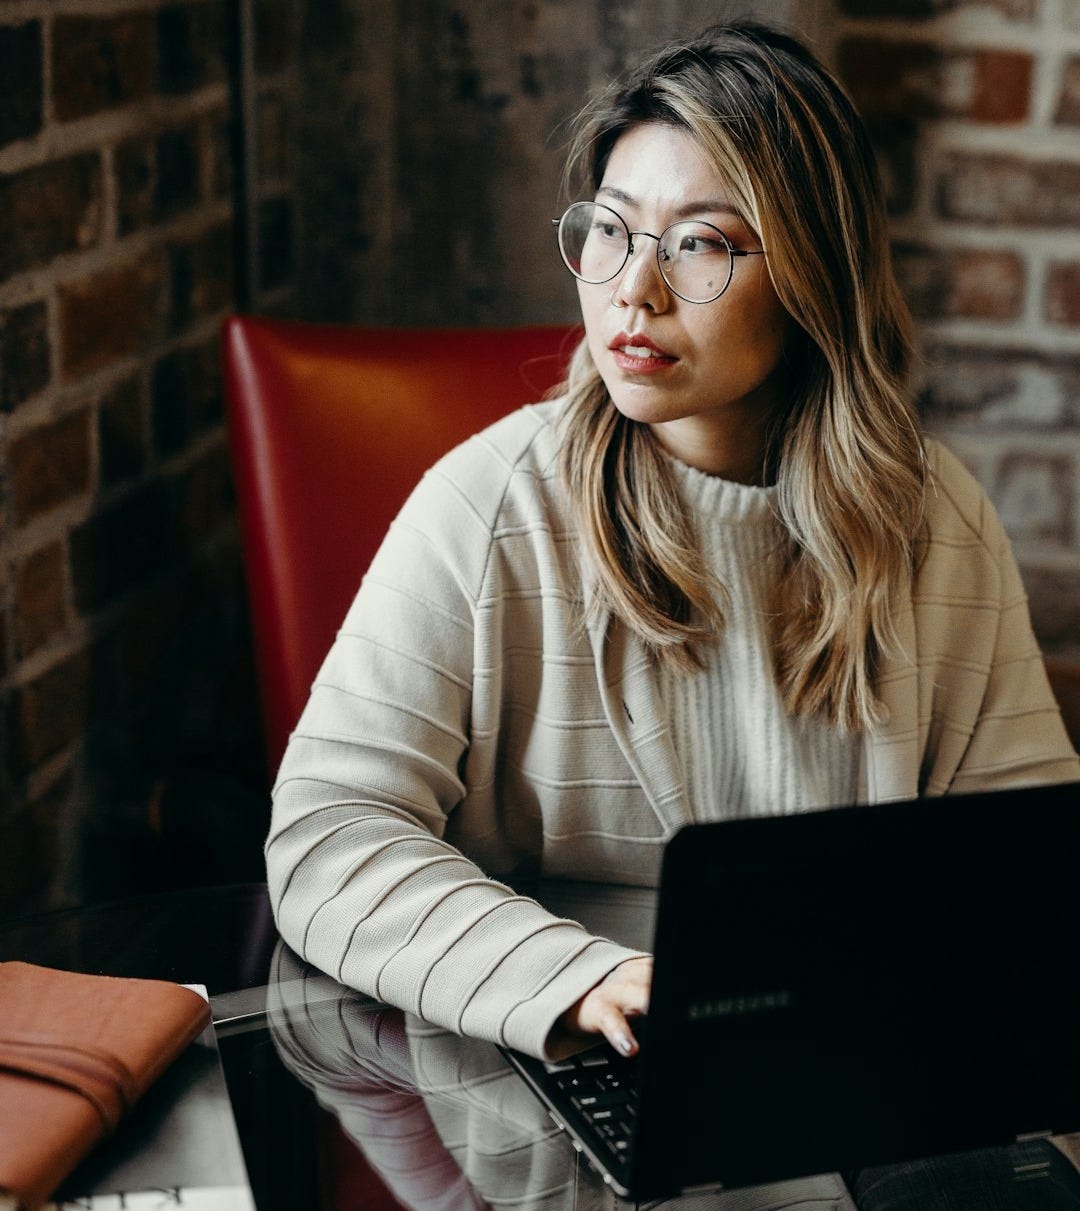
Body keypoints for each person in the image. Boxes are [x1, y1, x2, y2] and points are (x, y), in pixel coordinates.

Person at [266, 22, 1078, 1070]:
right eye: (611, 230)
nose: (632, 292)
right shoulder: (490, 503)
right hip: (560, 1060)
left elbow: (1029, 860)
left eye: (701, 242)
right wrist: (574, 974)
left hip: (850, 1060)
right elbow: (327, 836)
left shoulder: (931, 516)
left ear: (811, 276)